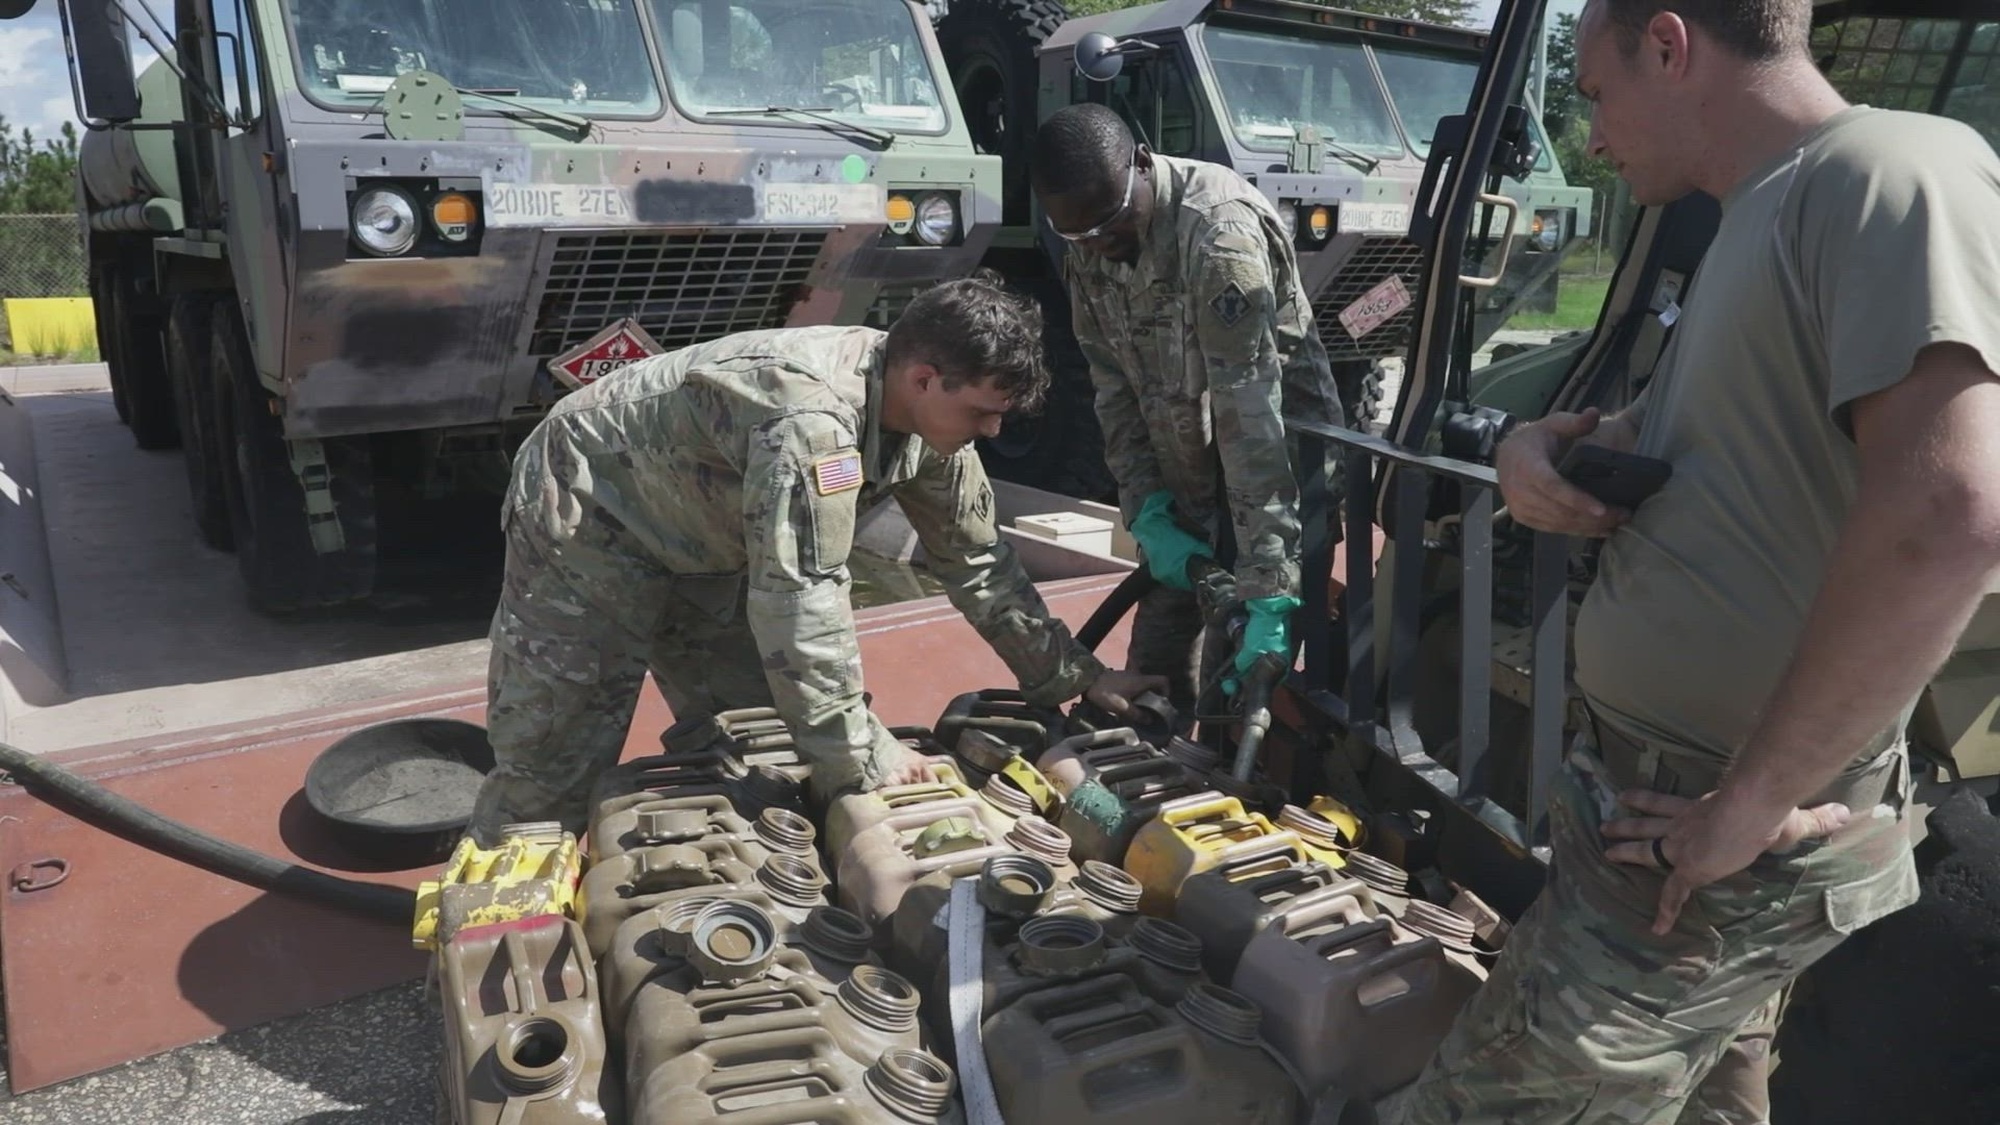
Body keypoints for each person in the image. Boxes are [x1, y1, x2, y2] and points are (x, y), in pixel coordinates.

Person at [1385, 1, 2000, 1122]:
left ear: (1667, 46)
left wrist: (1749, 802)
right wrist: (1540, 451)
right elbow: (1709, 434)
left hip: (1708, 839)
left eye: (1593, 94)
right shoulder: (1759, 215)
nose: (1593, 133)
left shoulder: (1884, 171)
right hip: (1655, 811)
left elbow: (1951, 511)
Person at [467, 273, 1166, 845]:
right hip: (593, 509)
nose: (994, 429)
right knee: (553, 764)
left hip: (707, 534)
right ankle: (499, 944)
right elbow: (802, 596)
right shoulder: (812, 422)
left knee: (755, 738)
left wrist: (1075, 675)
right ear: (925, 378)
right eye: (984, 411)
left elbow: (980, 563)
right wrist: (865, 750)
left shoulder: (931, 426)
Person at [1029, 102, 1345, 713]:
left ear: (1141, 163)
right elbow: (1113, 386)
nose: (1099, 244)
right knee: (1154, 671)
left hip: (1276, 482)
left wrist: (1269, 581)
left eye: (1110, 223)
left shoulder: (1218, 232)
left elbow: (1249, 410)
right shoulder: (1091, 240)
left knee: (1245, 684)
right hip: (1189, 486)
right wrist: (1145, 508)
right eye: (1078, 235)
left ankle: (1233, 785)